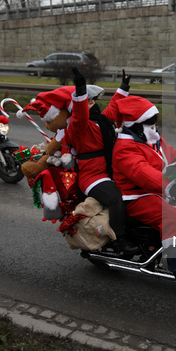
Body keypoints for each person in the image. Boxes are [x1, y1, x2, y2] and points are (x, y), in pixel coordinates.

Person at [111, 96, 176, 287]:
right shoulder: (125, 148)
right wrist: (171, 186)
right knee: (171, 217)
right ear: (135, 125)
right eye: (150, 122)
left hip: (157, 191)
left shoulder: (152, 139)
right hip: (136, 196)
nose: (154, 125)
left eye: (155, 120)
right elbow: (143, 173)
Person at [69, 68, 138, 255]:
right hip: (92, 176)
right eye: (90, 100)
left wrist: (124, 85)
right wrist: (81, 89)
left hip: (109, 171)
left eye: (93, 99)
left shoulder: (101, 120)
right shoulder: (79, 126)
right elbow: (79, 114)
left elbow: (115, 107)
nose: (93, 102)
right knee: (116, 198)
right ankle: (121, 240)